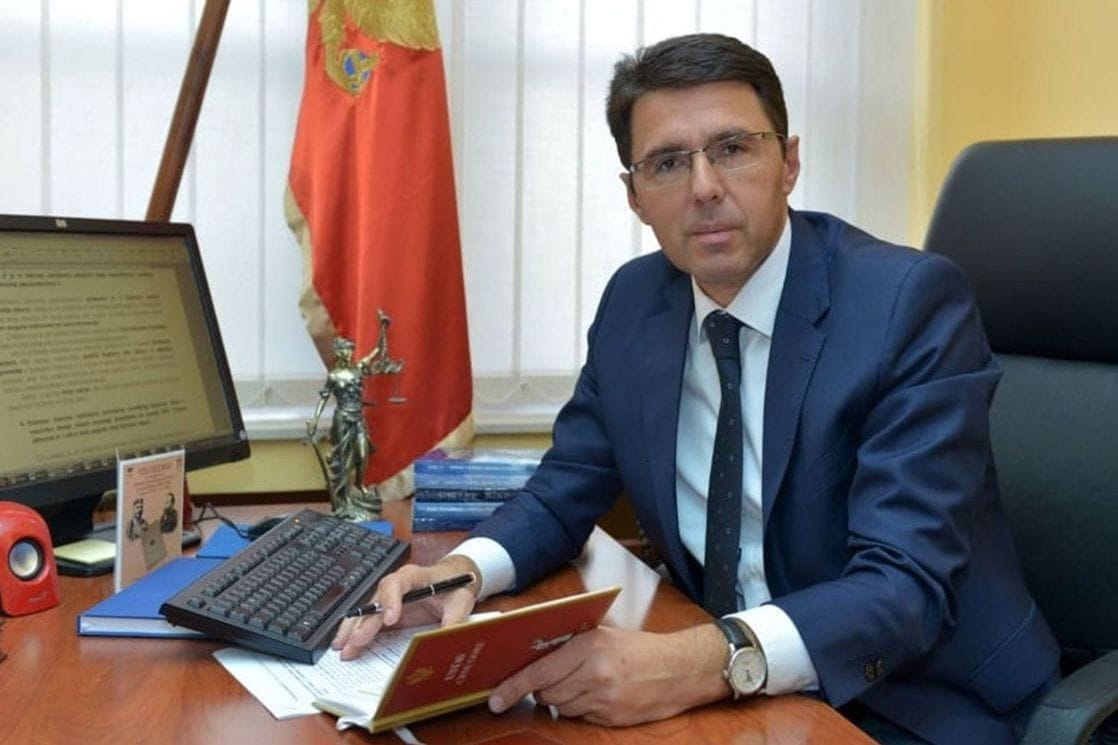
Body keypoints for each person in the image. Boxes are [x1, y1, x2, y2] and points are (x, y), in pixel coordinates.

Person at [333, 33, 1060, 744]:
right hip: (735, 696)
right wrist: (463, 571)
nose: (705, 187)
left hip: (915, 700)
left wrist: (698, 661)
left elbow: (903, 585)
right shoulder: (635, 304)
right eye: (668, 163)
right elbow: (565, 488)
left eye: (733, 148)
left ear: (789, 163)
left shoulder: (907, 304)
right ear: (634, 195)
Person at [306, 310, 404, 519]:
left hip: (358, 418)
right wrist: (315, 421)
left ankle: (359, 485)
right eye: (345, 351)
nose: (349, 354)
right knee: (343, 460)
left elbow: (378, 351)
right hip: (342, 418)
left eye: (351, 350)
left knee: (362, 453)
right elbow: (324, 398)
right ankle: (343, 501)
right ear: (338, 353)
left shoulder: (358, 370)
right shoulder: (334, 376)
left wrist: (383, 327)